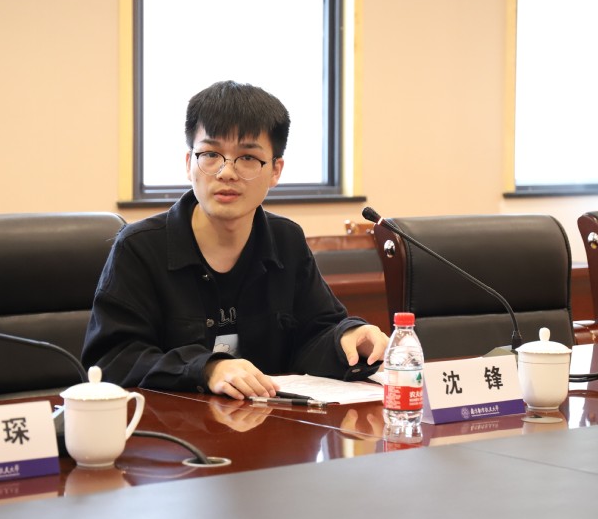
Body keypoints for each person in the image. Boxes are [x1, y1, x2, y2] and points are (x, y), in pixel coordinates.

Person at [82, 80, 388, 399]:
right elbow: (112, 360)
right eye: (210, 154)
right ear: (188, 164)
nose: (226, 172)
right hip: (171, 428)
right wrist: (207, 368)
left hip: (271, 425)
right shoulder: (140, 247)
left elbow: (315, 333)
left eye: (247, 158)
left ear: (276, 170)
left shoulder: (286, 241)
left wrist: (347, 338)